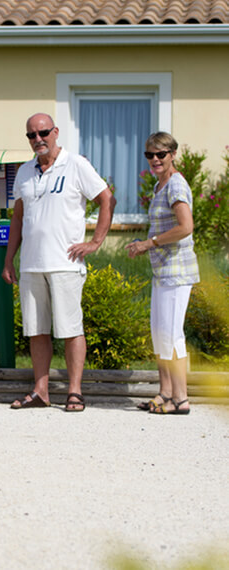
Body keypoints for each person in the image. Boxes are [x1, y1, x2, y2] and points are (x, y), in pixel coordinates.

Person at [2, 113, 116, 412]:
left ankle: (74, 391)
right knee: (36, 330)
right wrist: (9, 259)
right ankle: (41, 391)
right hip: (30, 264)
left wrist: (95, 242)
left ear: (55, 132)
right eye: (31, 135)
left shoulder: (76, 164)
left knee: (70, 329)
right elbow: (18, 217)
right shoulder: (25, 171)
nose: (37, 139)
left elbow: (107, 199)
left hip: (66, 263)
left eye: (43, 133)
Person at [126, 132, 199, 415]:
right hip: (162, 271)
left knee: (171, 334)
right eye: (150, 155)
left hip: (177, 270)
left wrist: (149, 243)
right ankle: (165, 392)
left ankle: (180, 398)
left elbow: (185, 226)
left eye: (161, 154)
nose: (155, 159)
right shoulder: (161, 185)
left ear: (173, 155)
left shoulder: (176, 185)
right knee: (160, 334)